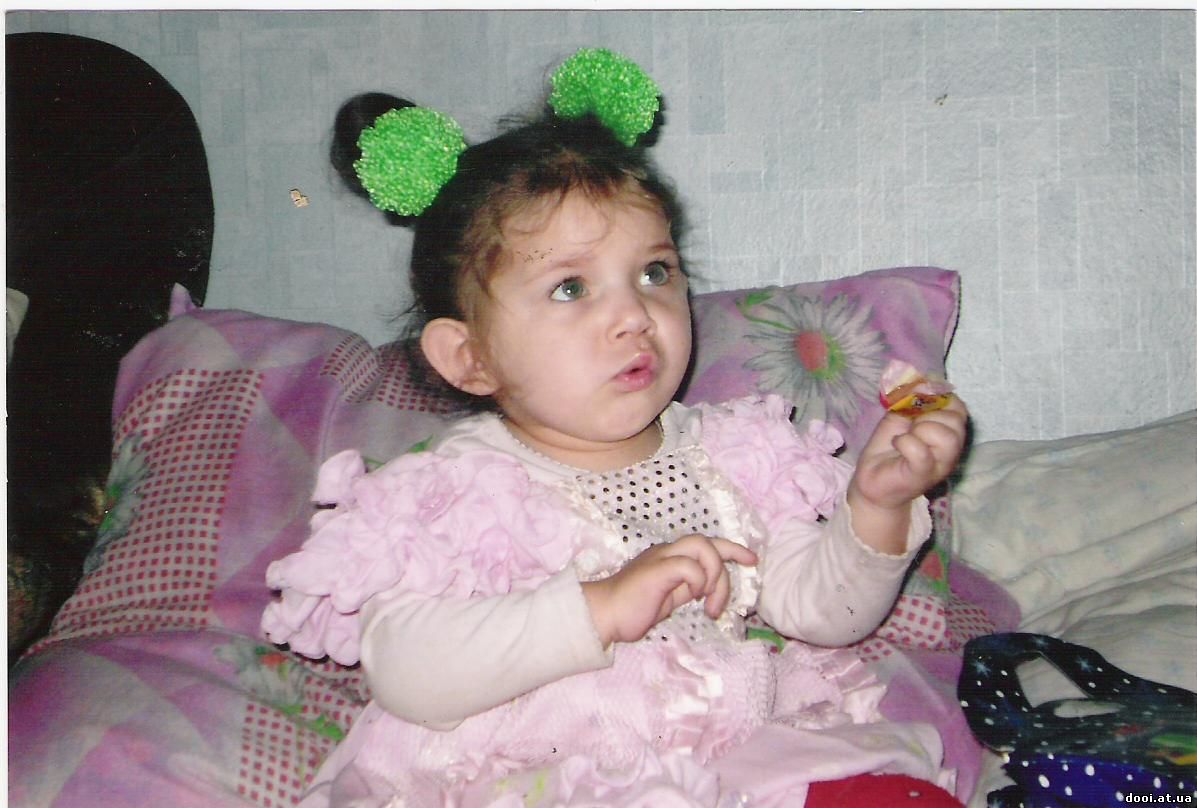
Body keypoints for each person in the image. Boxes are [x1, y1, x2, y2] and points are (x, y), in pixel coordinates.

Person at [262, 48, 969, 807]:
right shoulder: (452, 487)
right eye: (571, 287)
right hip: (533, 771)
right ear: (470, 358)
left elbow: (824, 614)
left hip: (719, 753)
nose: (634, 314)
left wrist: (878, 504)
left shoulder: (730, 454)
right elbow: (405, 672)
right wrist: (596, 608)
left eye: (654, 273)